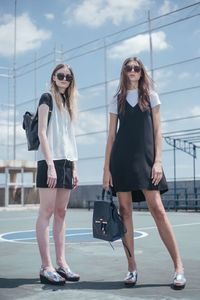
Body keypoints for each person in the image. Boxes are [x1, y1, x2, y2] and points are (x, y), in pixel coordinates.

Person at [103, 57, 186, 289]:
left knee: (158, 210)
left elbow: (158, 130)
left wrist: (158, 161)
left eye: (136, 68)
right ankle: (131, 268)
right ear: (124, 71)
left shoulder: (151, 96)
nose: (132, 71)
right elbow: (110, 137)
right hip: (121, 161)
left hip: (147, 160)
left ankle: (178, 267)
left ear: (141, 72)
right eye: (128, 68)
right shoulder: (115, 100)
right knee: (125, 212)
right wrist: (106, 170)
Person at [36, 63, 80, 285]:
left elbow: (70, 137)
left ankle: (62, 264)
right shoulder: (47, 98)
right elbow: (42, 132)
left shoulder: (67, 103)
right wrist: (51, 164)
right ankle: (46, 266)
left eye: (68, 77)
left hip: (67, 162)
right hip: (49, 162)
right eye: (61, 75)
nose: (64, 79)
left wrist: (74, 166)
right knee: (47, 211)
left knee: (61, 212)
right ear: (53, 77)